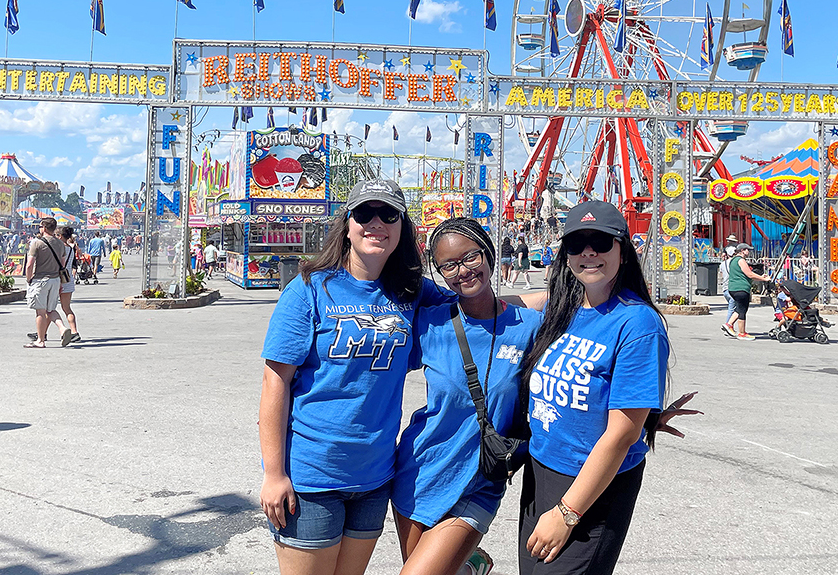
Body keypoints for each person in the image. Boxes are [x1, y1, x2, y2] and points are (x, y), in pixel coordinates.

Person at [258, 178, 449, 575]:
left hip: (374, 478)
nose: (375, 223)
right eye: (364, 213)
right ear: (347, 224)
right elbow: (274, 381)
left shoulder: (411, 293)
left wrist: (566, 297)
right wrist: (274, 474)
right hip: (311, 478)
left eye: (388, 214)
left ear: (402, 226)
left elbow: (478, 305)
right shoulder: (310, 289)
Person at [518, 201, 670, 573]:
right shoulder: (560, 308)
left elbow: (620, 435)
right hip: (541, 474)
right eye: (576, 243)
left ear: (623, 249)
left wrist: (567, 514)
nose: (588, 252)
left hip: (593, 488)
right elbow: (492, 308)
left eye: (601, 242)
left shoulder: (638, 324)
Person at [393, 218, 543, 575]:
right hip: (419, 473)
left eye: (470, 257)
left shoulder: (529, 328)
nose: (462, 270)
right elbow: (372, 373)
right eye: (449, 265)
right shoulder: (428, 324)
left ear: (488, 254)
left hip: (480, 480)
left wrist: (643, 414)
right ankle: (472, 564)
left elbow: (574, 376)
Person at [24, 217, 73, 349]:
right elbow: (62, 266)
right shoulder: (60, 244)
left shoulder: (37, 243)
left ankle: (40, 340)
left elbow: (29, 265)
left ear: (44, 228)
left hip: (41, 280)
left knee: (40, 311)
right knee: (50, 309)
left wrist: (29, 279)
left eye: (40, 226)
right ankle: (62, 329)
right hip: (55, 280)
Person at [724, 243, 771, 341]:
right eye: (747, 250)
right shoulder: (741, 260)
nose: (748, 252)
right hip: (741, 288)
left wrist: (760, 277)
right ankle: (742, 333)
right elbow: (749, 274)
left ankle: (729, 324)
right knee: (742, 310)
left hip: (733, 288)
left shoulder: (733, 260)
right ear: (742, 251)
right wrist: (763, 279)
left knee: (739, 307)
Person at [718, 245, 737, 338]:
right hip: (732, 288)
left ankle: (730, 326)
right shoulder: (735, 263)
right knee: (733, 309)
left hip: (725, 288)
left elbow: (721, 274)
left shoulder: (723, 264)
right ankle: (728, 326)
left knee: (732, 308)